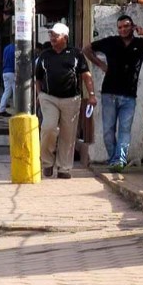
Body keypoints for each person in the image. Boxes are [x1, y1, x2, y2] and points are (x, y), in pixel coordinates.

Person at [82, 14, 143, 172]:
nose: (123, 29)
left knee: (124, 130)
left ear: (133, 27)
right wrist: (100, 64)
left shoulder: (141, 43)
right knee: (108, 131)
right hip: (109, 93)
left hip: (129, 96)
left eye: (126, 26)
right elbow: (86, 49)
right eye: (120, 27)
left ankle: (119, 160)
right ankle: (113, 159)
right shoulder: (110, 42)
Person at [36, 23, 97, 179]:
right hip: (49, 97)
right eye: (51, 35)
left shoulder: (76, 54)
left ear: (65, 37)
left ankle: (64, 167)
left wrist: (91, 95)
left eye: (56, 35)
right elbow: (38, 78)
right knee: (48, 128)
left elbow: (86, 76)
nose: (52, 38)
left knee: (68, 134)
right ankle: (47, 162)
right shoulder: (45, 55)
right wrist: (40, 95)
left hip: (71, 99)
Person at [0, 40, 16, 117]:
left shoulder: (6, 48)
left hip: (5, 72)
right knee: (16, 92)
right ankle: (18, 110)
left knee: (7, 91)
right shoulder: (17, 48)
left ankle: (1, 110)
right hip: (12, 72)